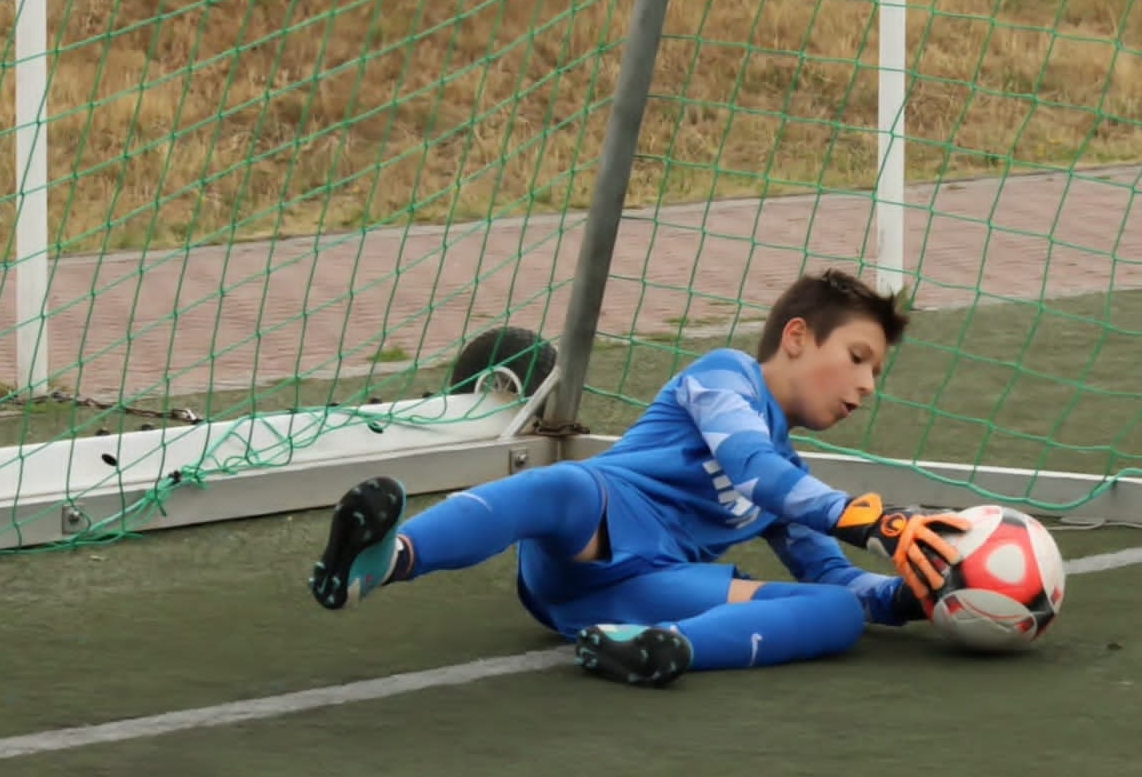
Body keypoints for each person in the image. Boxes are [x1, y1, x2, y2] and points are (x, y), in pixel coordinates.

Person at [308, 268, 970, 688]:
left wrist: (915, 595)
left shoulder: (793, 483)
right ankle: (384, 560)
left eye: (874, 372)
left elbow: (834, 574)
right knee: (564, 485)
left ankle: (661, 650)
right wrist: (875, 522)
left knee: (837, 613)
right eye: (858, 357)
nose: (866, 384)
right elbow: (751, 466)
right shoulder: (726, 374)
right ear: (796, 337)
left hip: (642, 593)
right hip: (588, 533)